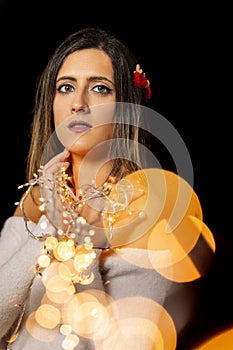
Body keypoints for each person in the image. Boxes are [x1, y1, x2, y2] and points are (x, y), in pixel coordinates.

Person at [0, 27, 216, 350]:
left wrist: (78, 243)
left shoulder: (144, 214)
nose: (78, 103)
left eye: (100, 88)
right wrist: (49, 236)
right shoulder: (35, 200)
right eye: (66, 87)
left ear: (126, 107)